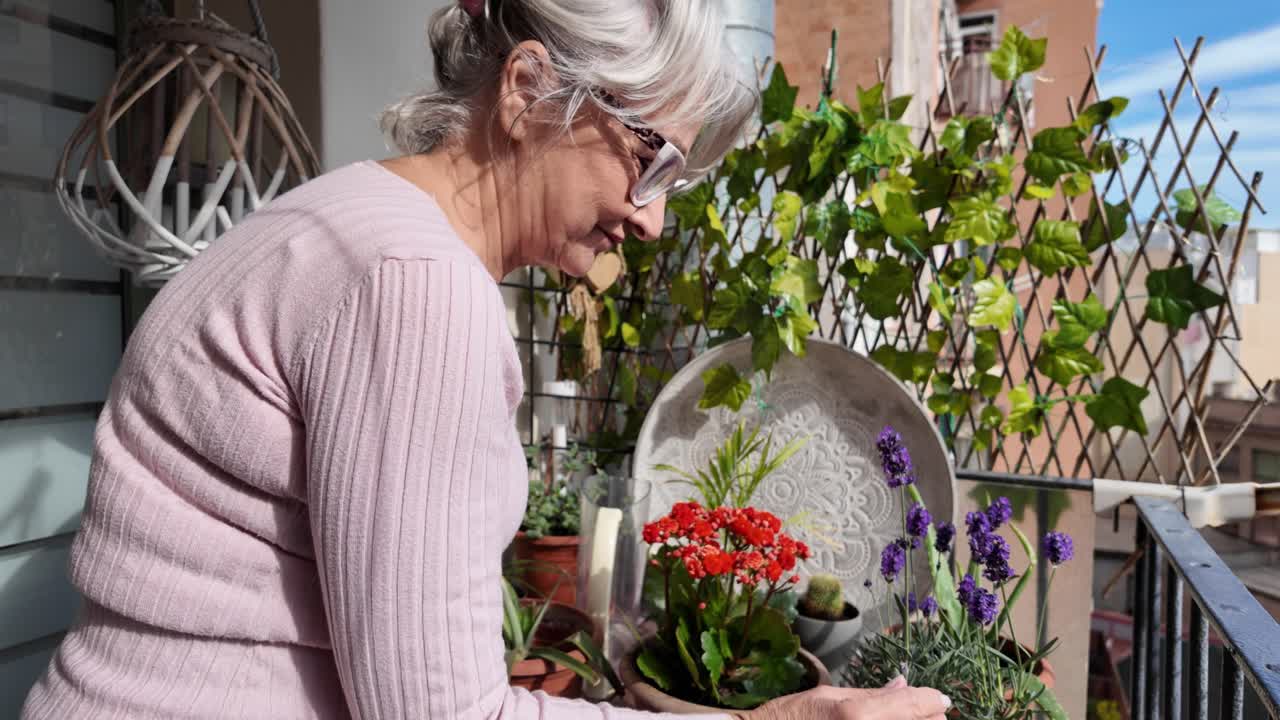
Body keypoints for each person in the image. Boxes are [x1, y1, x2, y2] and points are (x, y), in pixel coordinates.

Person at [23, 1, 951, 718]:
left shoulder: (344, 216)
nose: (652, 217)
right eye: (650, 159)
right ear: (526, 89)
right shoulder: (413, 283)